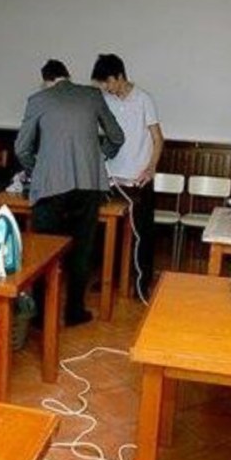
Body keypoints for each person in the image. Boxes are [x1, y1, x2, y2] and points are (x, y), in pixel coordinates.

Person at [14, 59, 124, 326]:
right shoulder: (92, 95)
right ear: (68, 76)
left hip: (51, 186)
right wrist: (99, 157)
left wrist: (37, 169)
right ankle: (75, 312)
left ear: (47, 81)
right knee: (81, 250)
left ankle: (40, 317)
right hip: (88, 184)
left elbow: (21, 148)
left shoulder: (38, 99)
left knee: (44, 251)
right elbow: (117, 136)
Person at [91, 53, 163, 298]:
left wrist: (151, 168)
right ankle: (106, 279)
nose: (105, 87)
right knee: (106, 232)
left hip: (138, 178)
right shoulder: (105, 100)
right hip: (111, 177)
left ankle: (142, 284)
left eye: (108, 82)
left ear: (119, 76)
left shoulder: (144, 99)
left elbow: (158, 139)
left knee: (142, 234)